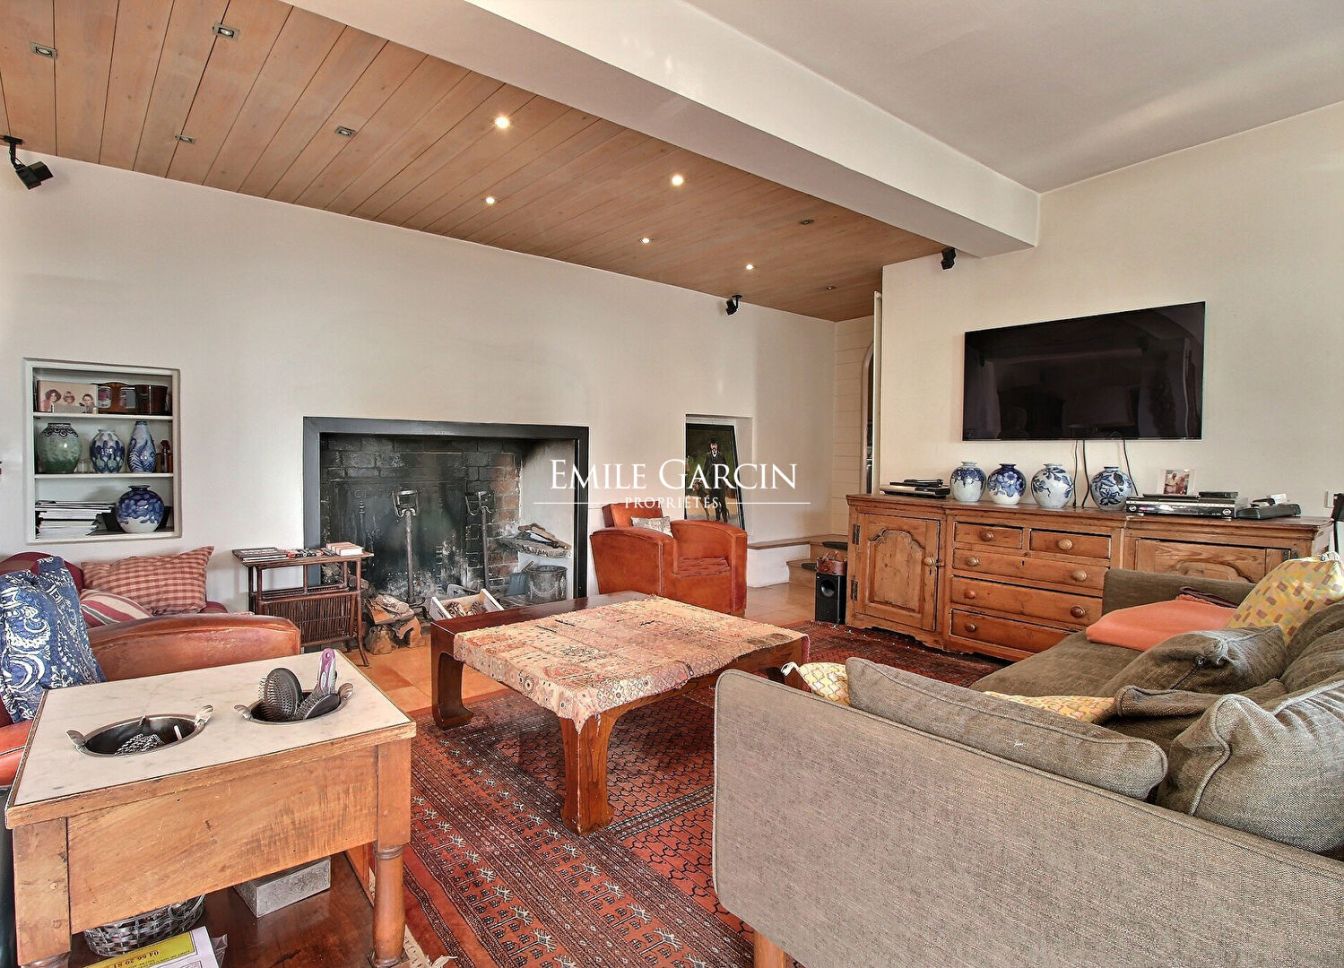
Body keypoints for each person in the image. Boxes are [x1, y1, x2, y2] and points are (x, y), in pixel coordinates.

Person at [704, 440, 734, 524]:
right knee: (715, 500)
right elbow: (705, 468)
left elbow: (725, 468)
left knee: (722, 500)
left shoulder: (721, 455)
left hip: (721, 482)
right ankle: (717, 518)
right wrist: (702, 477)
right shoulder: (708, 455)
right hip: (712, 482)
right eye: (712, 445)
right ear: (710, 446)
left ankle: (725, 519)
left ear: (717, 446)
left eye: (715, 445)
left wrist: (727, 480)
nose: (714, 446)